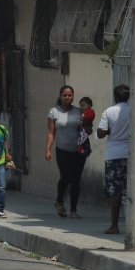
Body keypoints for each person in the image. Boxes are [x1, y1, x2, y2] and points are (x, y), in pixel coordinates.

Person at [45, 85, 86, 219]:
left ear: (73, 96)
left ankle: (73, 210)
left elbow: (86, 130)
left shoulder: (79, 111)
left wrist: (86, 124)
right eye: (65, 95)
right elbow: (51, 133)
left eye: (70, 95)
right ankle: (59, 200)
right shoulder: (54, 112)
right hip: (62, 150)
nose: (67, 97)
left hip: (79, 151)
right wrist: (48, 149)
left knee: (76, 180)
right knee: (66, 177)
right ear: (60, 96)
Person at [97, 84, 131, 235]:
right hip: (132, 154)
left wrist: (109, 130)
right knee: (134, 190)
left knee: (115, 191)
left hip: (114, 155)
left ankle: (114, 225)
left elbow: (100, 133)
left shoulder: (109, 112)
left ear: (115, 96)